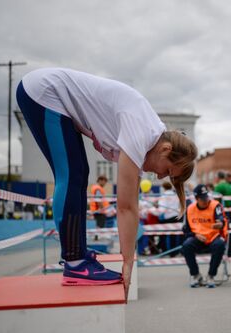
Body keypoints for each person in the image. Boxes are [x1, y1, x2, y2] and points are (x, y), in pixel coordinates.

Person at [16, 67, 197, 294]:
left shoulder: (145, 142)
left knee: (79, 172)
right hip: (43, 91)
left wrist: (128, 258)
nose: (160, 177)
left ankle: (78, 256)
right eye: (167, 170)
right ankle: (75, 262)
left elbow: (132, 204)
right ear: (166, 149)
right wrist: (128, 263)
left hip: (49, 94)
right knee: (71, 173)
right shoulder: (141, 131)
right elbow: (125, 207)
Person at [182, 184, 227, 288]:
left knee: (219, 245)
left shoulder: (216, 205)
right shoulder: (190, 209)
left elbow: (221, 219)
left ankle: (211, 275)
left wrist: (220, 224)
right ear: (196, 198)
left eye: (206, 197)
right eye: (203, 198)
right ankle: (196, 275)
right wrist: (195, 235)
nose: (206, 200)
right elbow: (186, 230)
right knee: (186, 246)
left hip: (213, 236)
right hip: (198, 237)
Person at [156, 181, 181, 256]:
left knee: (163, 234)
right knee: (174, 235)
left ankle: (163, 251)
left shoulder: (164, 196)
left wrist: (150, 211)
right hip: (176, 215)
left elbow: (161, 209)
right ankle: (174, 252)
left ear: (163, 188)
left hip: (168, 217)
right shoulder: (175, 194)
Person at [89, 175, 112, 240]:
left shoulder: (96, 188)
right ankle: (97, 237)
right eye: (105, 181)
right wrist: (102, 208)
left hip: (96, 210)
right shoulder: (98, 188)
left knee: (99, 224)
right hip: (99, 210)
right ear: (100, 180)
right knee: (100, 224)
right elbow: (98, 199)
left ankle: (97, 237)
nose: (105, 184)